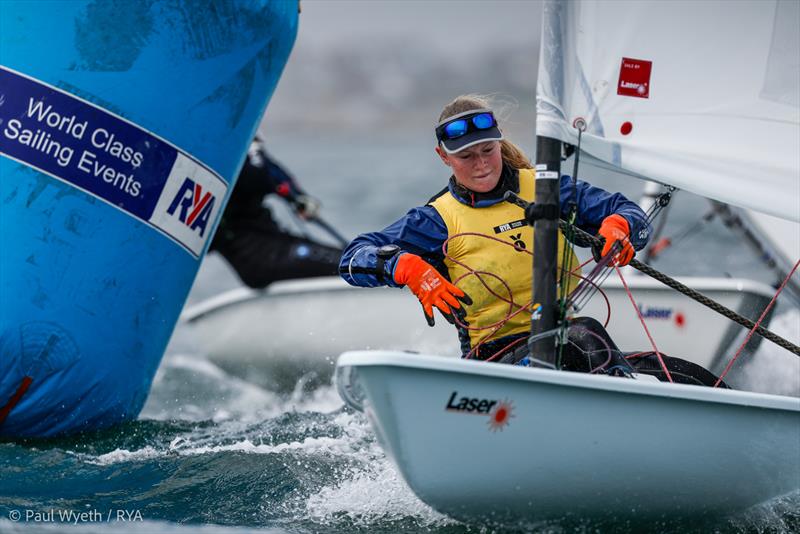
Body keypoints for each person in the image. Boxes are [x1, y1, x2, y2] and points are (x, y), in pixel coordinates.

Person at [338, 94, 652, 363]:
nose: (481, 164)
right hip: (492, 358)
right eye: (466, 156)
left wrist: (619, 226)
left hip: (570, 339)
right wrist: (405, 267)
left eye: (488, 150)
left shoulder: (548, 188)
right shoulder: (436, 220)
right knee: (586, 336)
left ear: (499, 143)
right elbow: (351, 260)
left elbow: (630, 213)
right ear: (443, 157)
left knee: (683, 371)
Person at [210, 137, 342, 289]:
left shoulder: (243, 153)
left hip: (273, 247)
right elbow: (257, 176)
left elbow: (273, 173)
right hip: (262, 255)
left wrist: (297, 196)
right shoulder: (226, 156)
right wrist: (253, 149)